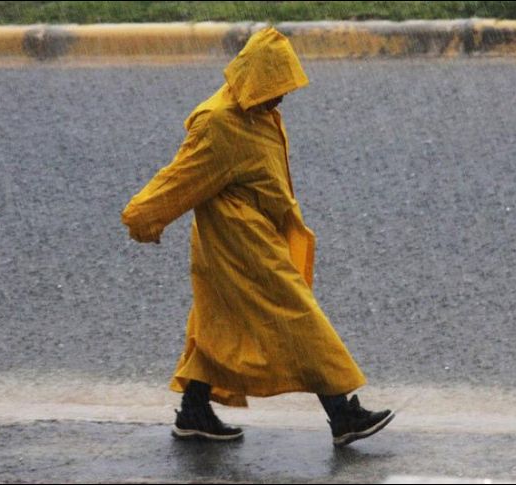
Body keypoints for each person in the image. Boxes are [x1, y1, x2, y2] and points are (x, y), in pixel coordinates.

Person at [121, 27, 393, 447]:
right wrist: (143, 217)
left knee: (216, 323)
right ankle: (342, 413)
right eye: (276, 87)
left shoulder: (257, 111)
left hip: (249, 238)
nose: (282, 97)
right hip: (241, 245)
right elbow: (180, 179)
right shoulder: (218, 123)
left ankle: (194, 412)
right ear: (255, 80)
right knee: (297, 317)